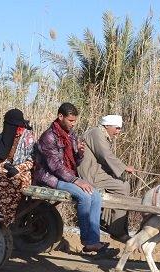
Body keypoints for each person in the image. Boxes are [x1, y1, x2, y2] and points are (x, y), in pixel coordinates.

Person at [34, 103, 108, 253]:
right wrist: (76, 180)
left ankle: (93, 240)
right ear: (60, 117)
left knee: (96, 196)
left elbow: (74, 162)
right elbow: (55, 166)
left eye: (75, 121)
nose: (73, 124)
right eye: (70, 120)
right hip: (49, 177)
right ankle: (88, 241)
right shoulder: (48, 136)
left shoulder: (71, 135)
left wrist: (80, 154)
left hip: (65, 176)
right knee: (85, 197)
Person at [78, 114, 134, 242]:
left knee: (122, 185)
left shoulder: (101, 134)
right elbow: (105, 155)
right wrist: (124, 167)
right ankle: (116, 230)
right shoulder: (96, 133)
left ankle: (111, 224)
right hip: (89, 173)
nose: (119, 131)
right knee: (123, 187)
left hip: (96, 171)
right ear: (107, 126)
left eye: (120, 128)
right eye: (117, 128)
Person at [0, 108, 35, 225]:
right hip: (6, 167)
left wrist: (17, 169)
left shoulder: (28, 138)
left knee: (15, 182)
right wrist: (5, 164)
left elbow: (31, 160)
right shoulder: (5, 135)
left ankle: (7, 218)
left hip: (23, 170)